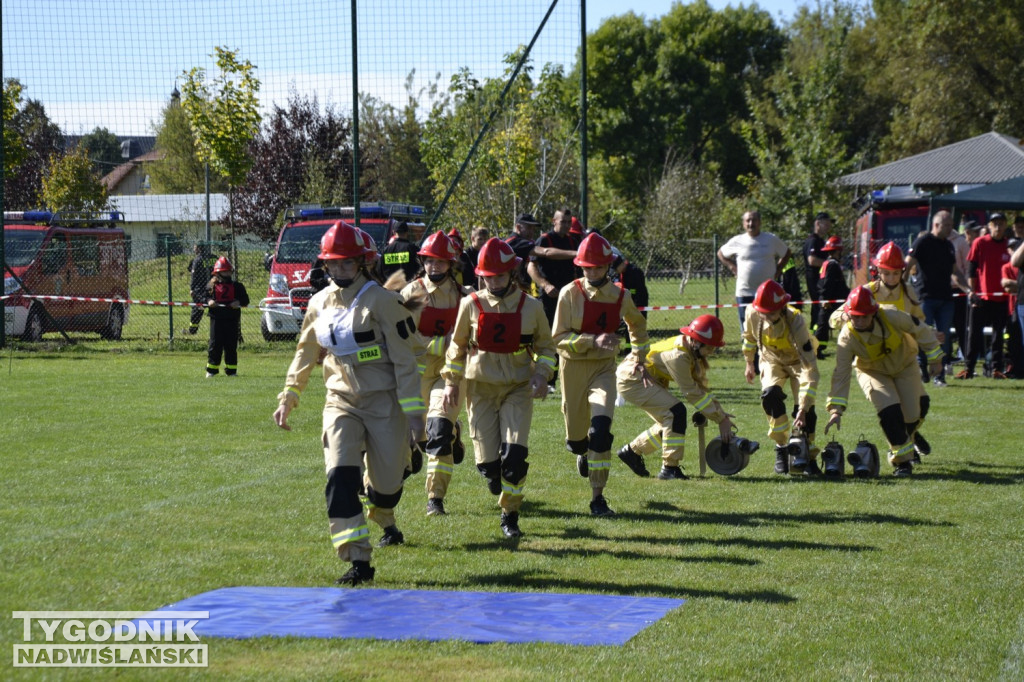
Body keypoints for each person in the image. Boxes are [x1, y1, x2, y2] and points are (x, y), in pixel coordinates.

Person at [273, 222, 425, 585]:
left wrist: (415, 416)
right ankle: (358, 560)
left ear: (362, 262)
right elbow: (306, 351)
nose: (339, 270)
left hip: (385, 402)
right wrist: (289, 396)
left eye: (346, 263)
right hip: (340, 400)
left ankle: (396, 468)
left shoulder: (385, 302)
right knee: (340, 476)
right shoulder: (318, 303)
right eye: (332, 264)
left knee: (385, 491)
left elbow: (405, 361)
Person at [441, 237, 557, 538]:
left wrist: (542, 374)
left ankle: (510, 515)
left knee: (514, 458)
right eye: (488, 277)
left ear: (512, 275)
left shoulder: (531, 307)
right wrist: (452, 383)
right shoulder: (470, 304)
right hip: (479, 389)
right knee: (489, 466)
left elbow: (547, 348)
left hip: (518, 388)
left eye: (500, 276)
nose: (493, 282)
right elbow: (457, 348)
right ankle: (494, 476)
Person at [552, 232, 649, 515]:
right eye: (586, 267)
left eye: (596, 266)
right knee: (577, 440)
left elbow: (638, 327)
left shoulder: (621, 295)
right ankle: (582, 452)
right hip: (573, 369)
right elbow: (558, 338)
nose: (591, 271)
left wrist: (639, 358)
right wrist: (590, 341)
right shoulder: (569, 293)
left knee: (601, 431)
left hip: (604, 369)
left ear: (608, 266)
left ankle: (598, 498)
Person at [825, 286, 942, 477]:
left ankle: (909, 436)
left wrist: (935, 357)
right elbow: (841, 373)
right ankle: (901, 463)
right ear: (848, 315)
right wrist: (836, 410)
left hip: (904, 365)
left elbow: (919, 328)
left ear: (874, 312)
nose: (860, 321)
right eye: (856, 317)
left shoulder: (891, 315)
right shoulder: (846, 337)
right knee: (890, 411)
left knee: (914, 414)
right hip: (872, 372)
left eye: (865, 316)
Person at [399, 231, 472, 517]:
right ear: (423, 262)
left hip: (449, 374)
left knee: (437, 431)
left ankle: (435, 498)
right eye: (430, 262)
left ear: (451, 264)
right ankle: (454, 435)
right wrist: (441, 342)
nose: (434, 267)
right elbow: (404, 334)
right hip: (415, 374)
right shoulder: (412, 293)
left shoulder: (463, 297)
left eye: (441, 262)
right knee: (417, 437)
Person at [616, 314, 734, 480]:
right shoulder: (678, 356)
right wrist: (720, 419)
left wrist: (720, 414)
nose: (712, 352)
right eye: (710, 347)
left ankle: (632, 452)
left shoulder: (689, 350)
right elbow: (692, 393)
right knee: (675, 412)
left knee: (671, 420)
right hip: (633, 379)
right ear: (696, 342)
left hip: (640, 378)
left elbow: (699, 389)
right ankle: (669, 469)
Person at [741, 280, 821, 475]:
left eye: (771, 313)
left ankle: (808, 455)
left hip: (799, 361)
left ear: (782, 307)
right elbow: (750, 339)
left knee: (806, 410)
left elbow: (810, 366)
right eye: (763, 312)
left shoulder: (796, 320)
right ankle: (781, 446)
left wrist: (802, 408)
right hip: (771, 360)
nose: (766, 317)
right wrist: (749, 363)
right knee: (770, 396)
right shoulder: (752, 312)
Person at [905, 211, 966, 386]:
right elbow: (907, 265)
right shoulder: (922, 242)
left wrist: (968, 290)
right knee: (924, 335)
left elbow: (956, 272)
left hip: (946, 299)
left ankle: (940, 376)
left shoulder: (948, 245)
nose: (950, 229)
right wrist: (902, 289)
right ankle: (922, 369)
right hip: (925, 298)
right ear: (936, 225)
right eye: (947, 225)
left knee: (943, 337)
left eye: (951, 225)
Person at [716, 210, 791, 330]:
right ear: (743, 224)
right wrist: (732, 267)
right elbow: (720, 253)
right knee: (747, 327)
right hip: (744, 292)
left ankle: (767, 349)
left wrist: (778, 269)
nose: (751, 223)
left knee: (769, 327)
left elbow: (786, 253)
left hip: (768, 293)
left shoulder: (771, 239)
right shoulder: (737, 240)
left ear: (760, 222)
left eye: (754, 220)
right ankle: (749, 349)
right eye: (748, 221)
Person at [959, 212, 1012, 379]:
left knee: (998, 336)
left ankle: (997, 369)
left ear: (1005, 226)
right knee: (974, 335)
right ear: (989, 226)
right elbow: (971, 268)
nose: (998, 226)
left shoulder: (1009, 245)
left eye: (1001, 223)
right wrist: (972, 292)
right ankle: (969, 368)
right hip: (981, 296)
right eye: (994, 223)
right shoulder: (980, 243)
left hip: (1002, 298)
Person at [528, 207, 582, 327]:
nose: (567, 225)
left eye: (569, 222)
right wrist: (545, 285)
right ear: (554, 221)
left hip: (569, 295)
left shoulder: (573, 241)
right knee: (547, 330)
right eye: (563, 221)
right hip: (549, 296)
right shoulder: (544, 240)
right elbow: (531, 267)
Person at [204, 257, 249, 377]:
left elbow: (246, 300)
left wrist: (238, 302)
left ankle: (232, 371)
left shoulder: (238, 286)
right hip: (216, 320)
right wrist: (209, 301)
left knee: (231, 345)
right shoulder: (211, 286)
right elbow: (203, 297)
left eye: (229, 271)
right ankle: (211, 371)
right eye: (225, 271)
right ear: (218, 272)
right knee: (215, 345)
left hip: (232, 319)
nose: (227, 273)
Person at [950, 219, 981, 366]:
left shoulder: (961, 243)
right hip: (947, 290)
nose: (978, 234)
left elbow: (967, 269)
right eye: (975, 231)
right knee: (943, 328)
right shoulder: (959, 243)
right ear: (968, 232)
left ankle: (967, 358)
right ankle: (946, 359)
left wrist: (968, 289)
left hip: (960, 290)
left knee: (962, 327)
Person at [814, 235, 849, 358]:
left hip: (832, 299)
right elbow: (827, 282)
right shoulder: (832, 265)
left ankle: (820, 349)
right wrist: (825, 299)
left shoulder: (827, 263)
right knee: (825, 325)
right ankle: (817, 350)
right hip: (831, 301)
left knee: (824, 324)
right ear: (837, 251)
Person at [802, 212, 832, 327]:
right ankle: (815, 331)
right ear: (818, 223)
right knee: (818, 307)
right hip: (814, 280)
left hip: (822, 280)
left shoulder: (822, 241)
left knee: (820, 307)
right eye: (826, 222)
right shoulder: (812, 241)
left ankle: (817, 330)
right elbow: (812, 260)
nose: (829, 225)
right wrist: (829, 264)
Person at [505, 213, 541, 292]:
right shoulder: (513, 241)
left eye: (533, 228)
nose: (532, 231)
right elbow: (545, 252)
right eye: (529, 228)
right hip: (511, 290)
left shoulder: (528, 242)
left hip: (524, 289)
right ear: (518, 227)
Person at [188, 244, 215, 334]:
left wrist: (192, 288)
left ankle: (192, 330)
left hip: (200, 289)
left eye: (195, 247)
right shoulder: (214, 257)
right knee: (215, 308)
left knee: (197, 309)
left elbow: (194, 275)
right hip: (213, 287)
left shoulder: (197, 260)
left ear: (199, 248)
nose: (193, 249)